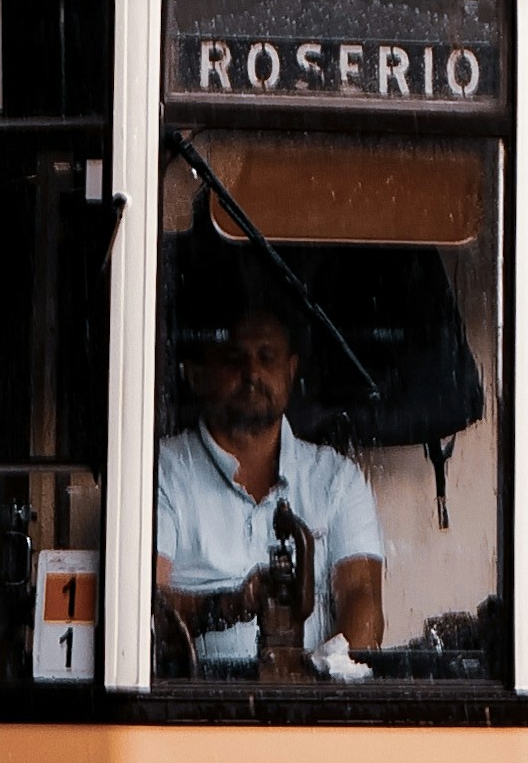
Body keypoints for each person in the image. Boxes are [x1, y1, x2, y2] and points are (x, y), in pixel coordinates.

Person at [154, 266, 386, 673]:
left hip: (310, 711)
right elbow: (145, 606)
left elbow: (361, 600)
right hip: (192, 710)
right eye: (233, 358)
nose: (252, 374)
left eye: (267, 357)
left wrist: (320, 692)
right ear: (197, 374)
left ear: (291, 370)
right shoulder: (162, 472)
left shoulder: (337, 480)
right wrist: (227, 605)